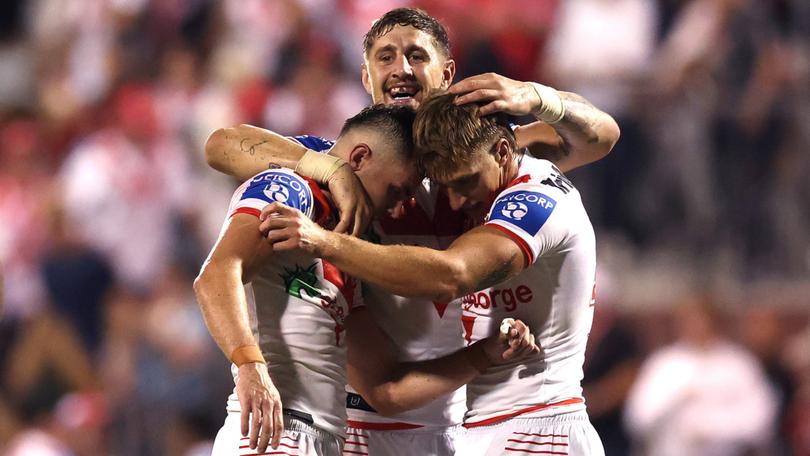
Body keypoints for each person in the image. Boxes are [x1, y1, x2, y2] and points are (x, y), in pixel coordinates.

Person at [204, 8, 618, 456]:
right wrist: (327, 167)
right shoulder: (352, 166)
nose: (401, 69)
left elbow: (600, 136)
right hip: (354, 423)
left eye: (417, 56)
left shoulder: (485, 159)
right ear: (366, 76)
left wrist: (536, 96)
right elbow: (221, 144)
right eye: (385, 57)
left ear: (447, 71)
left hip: (451, 425)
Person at [259, 91, 606, 455]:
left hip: (540, 427)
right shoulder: (377, 158)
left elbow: (451, 277)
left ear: (503, 152)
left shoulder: (537, 199)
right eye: (447, 186)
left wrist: (323, 242)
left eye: (465, 181)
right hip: (483, 428)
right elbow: (225, 144)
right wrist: (330, 168)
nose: (457, 202)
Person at [194, 104, 538, 455]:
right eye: (397, 191)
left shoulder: (343, 246)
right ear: (359, 158)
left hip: (319, 439)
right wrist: (250, 367)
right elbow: (217, 274)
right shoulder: (291, 188)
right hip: (275, 430)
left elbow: (386, 390)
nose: (397, 210)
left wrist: (489, 351)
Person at [624, 295, 777, 456]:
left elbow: (762, 420)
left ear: (715, 321)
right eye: (687, 320)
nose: (694, 326)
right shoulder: (663, 364)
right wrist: (677, 396)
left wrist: (713, 427)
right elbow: (637, 418)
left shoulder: (738, 364)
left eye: (700, 319)